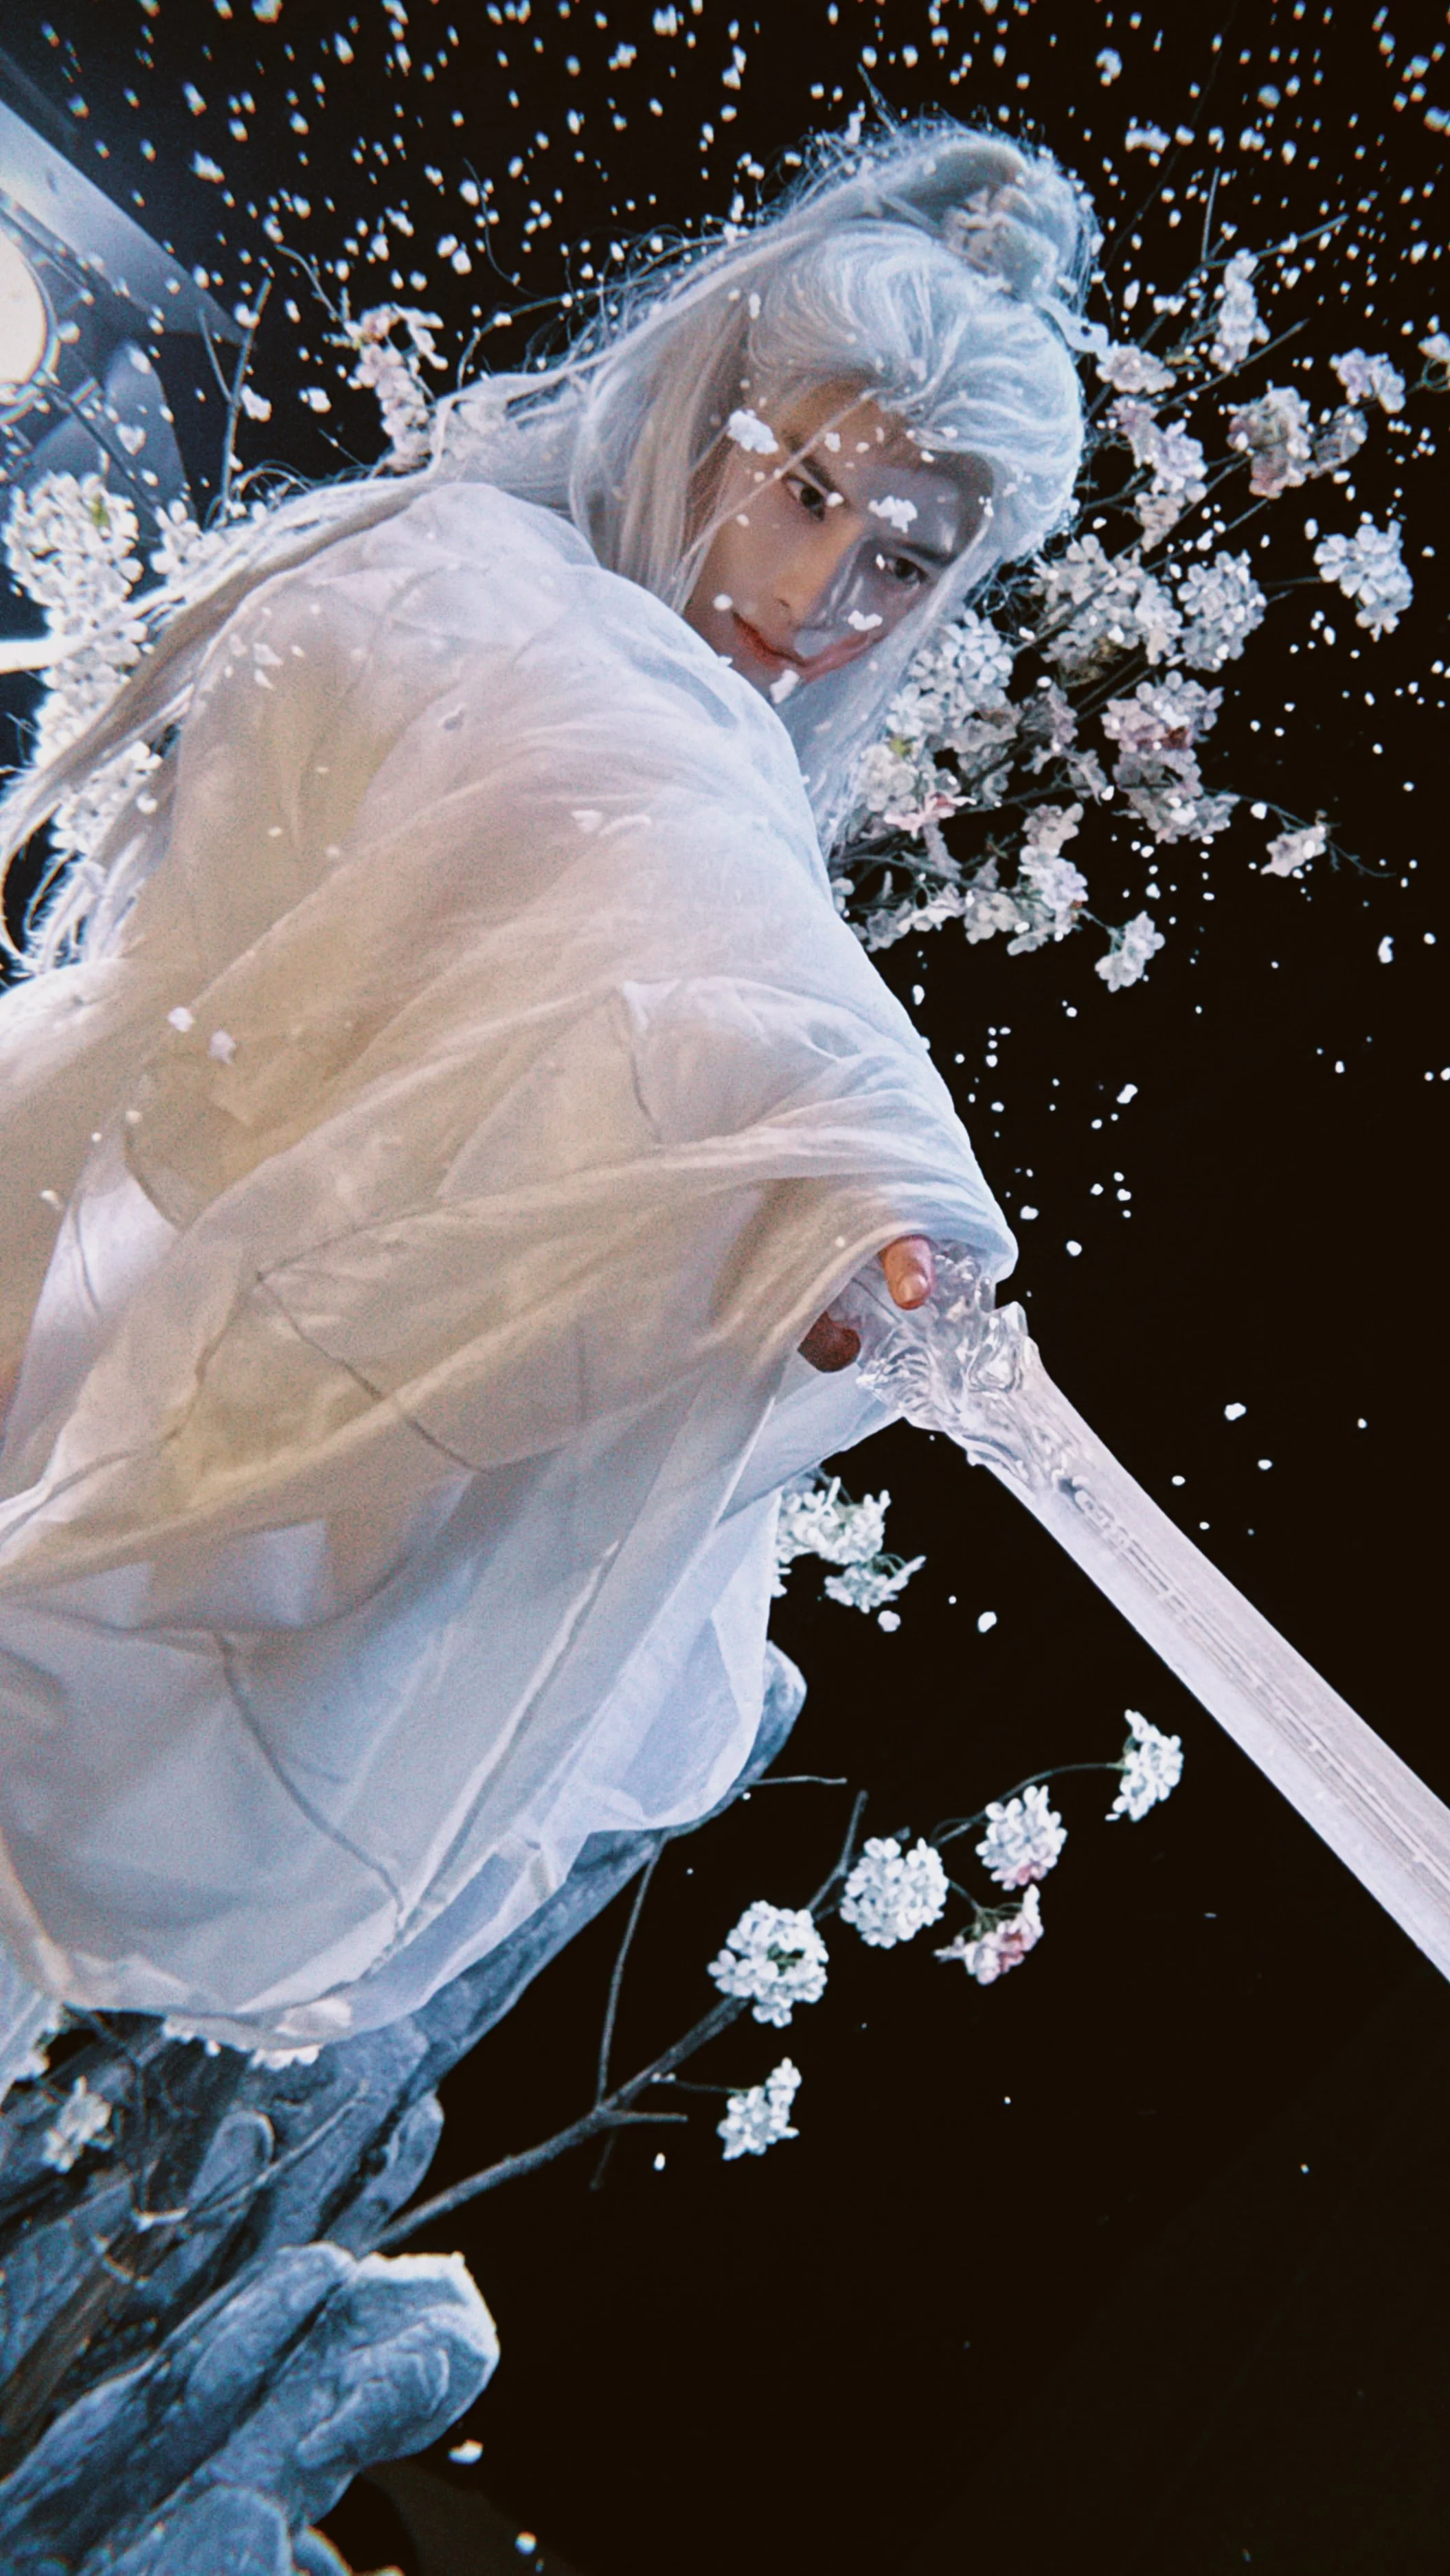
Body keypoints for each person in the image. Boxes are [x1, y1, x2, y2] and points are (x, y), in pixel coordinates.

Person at [0, 122, 1096, 2071]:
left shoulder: (671, 722)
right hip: (124, 1239)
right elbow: (667, 896)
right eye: (811, 490)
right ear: (713, 426)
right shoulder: (500, 595)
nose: (832, 588)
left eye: (907, 560)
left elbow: (666, 908)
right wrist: (832, 1146)